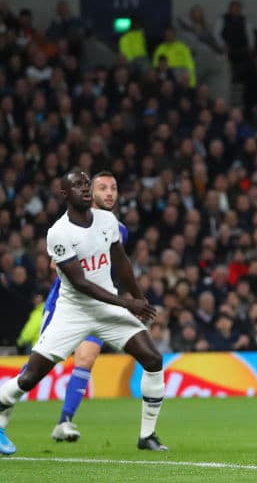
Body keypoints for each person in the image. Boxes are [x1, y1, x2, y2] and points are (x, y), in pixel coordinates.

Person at [0, 171, 167, 456]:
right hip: (73, 311)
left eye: (86, 184)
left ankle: (147, 435)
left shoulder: (107, 220)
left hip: (107, 308)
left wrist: (139, 299)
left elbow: (123, 263)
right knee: (30, 377)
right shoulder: (59, 233)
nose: (84, 188)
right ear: (65, 194)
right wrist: (127, 304)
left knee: (153, 358)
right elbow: (80, 283)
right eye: (76, 185)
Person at [44, 171, 130, 442]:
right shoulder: (68, 226)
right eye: (102, 188)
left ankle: (64, 422)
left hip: (98, 305)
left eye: (114, 188)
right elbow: (54, 265)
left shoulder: (117, 228)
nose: (109, 194)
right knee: (42, 363)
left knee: (87, 358)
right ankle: (4, 412)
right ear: (89, 192)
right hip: (65, 305)